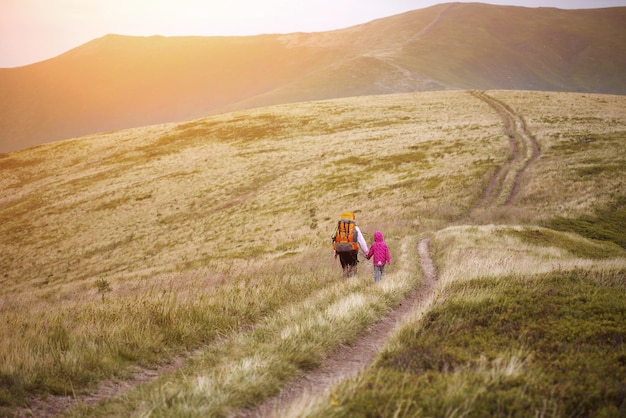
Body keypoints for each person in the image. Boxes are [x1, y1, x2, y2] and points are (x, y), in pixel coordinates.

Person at [333, 212, 368, 278]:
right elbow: (361, 241)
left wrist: (335, 252)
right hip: (352, 250)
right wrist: (366, 252)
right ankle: (352, 281)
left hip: (341, 251)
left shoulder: (339, 228)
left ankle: (345, 281)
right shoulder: (355, 228)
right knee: (353, 265)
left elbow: (336, 240)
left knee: (344, 268)